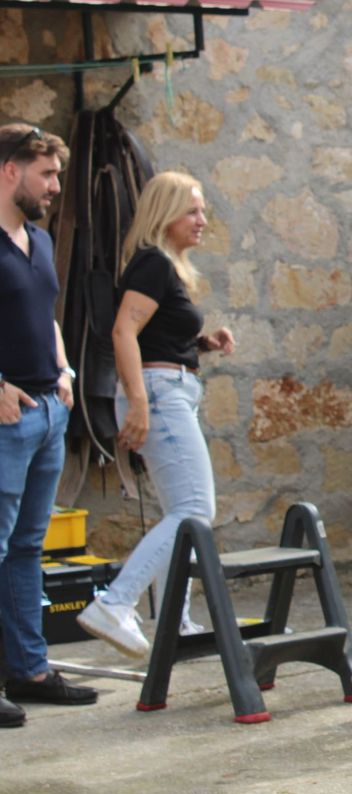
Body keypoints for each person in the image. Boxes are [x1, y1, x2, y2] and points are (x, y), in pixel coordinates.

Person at [73, 171, 235, 659]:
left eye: (202, 210)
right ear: (164, 215)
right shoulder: (152, 264)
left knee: (181, 513)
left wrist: (201, 344)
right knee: (194, 511)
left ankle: (173, 621)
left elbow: (151, 335)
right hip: (159, 395)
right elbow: (123, 333)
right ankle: (114, 604)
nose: (202, 220)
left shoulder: (163, 267)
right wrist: (138, 401)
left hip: (167, 388)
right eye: (192, 210)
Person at [0, 122, 98, 724]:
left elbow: (47, 315)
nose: (56, 186)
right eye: (47, 174)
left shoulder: (36, 239)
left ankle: (28, 670)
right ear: (10, 170)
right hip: (6, 422)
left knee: (27, 549)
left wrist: (64, 372)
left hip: (46, 414)